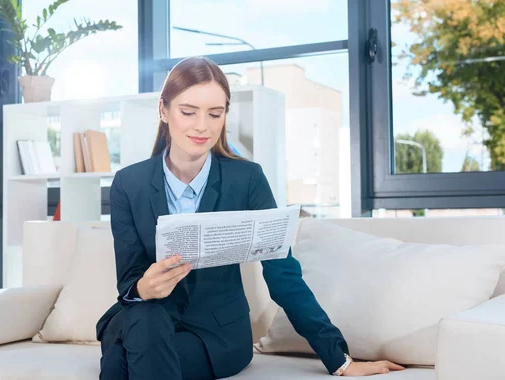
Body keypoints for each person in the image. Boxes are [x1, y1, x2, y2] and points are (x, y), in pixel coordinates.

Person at [96, 57, 405, 379]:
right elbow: (129, 281)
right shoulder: (128, 184)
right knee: (146, 319)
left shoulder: (246, 179)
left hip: (214, 335)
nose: (202, 125)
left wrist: (339, 359)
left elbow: (283, 274)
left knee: (121, 365)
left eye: (215, 114)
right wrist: (145, 287)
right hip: (144, 320)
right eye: (188, 112)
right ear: (164, 111)